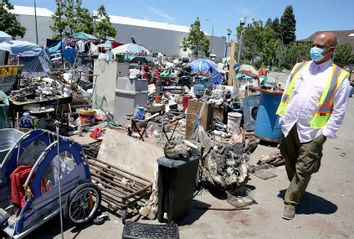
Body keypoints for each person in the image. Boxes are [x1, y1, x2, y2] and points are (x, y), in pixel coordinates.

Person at [276, 32, 351, 220]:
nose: (314, 49)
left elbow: (340, 109)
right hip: (290, 123)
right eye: (313, 44)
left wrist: (326, 133)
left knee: (304, 167)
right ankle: (297, 186)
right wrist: (282, 117)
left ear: (331, 50)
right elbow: (288, 92)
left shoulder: (340, 76)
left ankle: (291, 201)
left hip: (313, 130)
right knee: (287, 157)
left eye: (320, 46)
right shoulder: (299, 67)